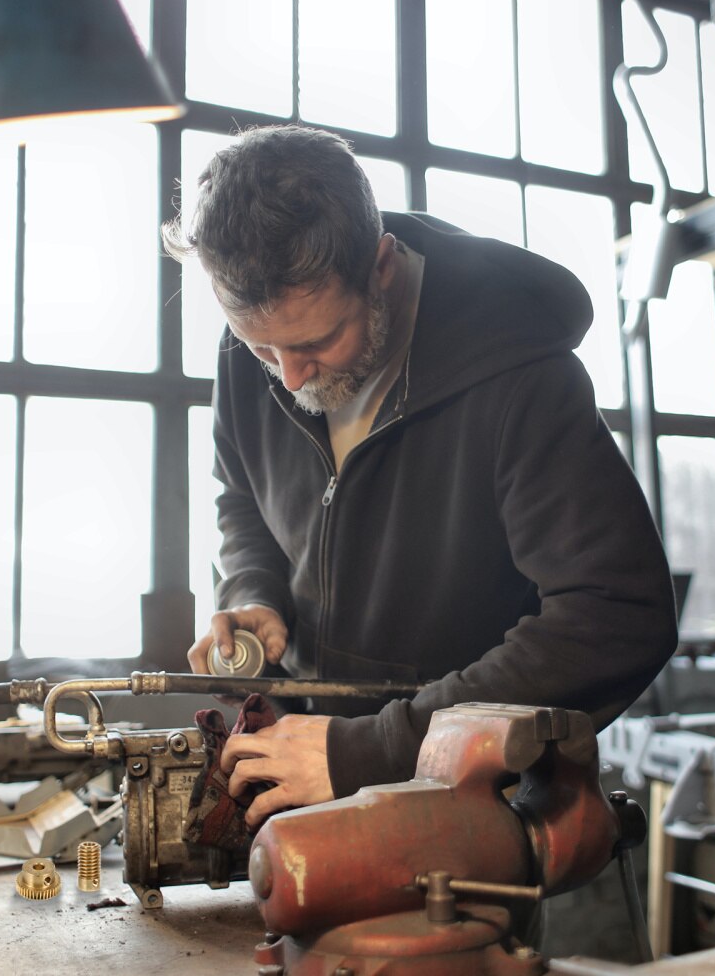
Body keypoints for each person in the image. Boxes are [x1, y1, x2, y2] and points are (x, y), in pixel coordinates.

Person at [161, 124, 678, 830]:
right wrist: (254, 591)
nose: (287, 376)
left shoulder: (521, 377)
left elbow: (614, 616)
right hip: (294, 770)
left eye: (315, 342)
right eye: (260, 348)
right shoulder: (254, 346)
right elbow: (243, 498)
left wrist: (373, 750)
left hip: (463, 808)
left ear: (381, 267)